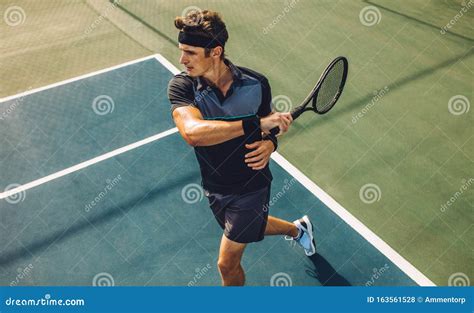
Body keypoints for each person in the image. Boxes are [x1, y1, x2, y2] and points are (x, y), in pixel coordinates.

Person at [167, 9, 316, 286]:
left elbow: (268, 128)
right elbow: (192, 133)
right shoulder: (182, 86)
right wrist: (254, 124)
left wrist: (271, 143)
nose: (182, 60)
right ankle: (298, 230)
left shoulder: (256, 84)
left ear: (216, 52)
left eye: (190, 52)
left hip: (251, 185)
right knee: (249, 227)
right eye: (181, 51)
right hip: (214, 185)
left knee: (227, 263)